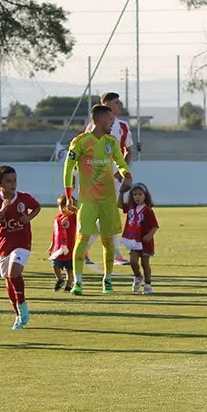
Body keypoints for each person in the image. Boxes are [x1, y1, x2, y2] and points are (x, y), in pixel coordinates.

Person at [63, 104, 133, 295]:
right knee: (82, 239)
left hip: (108, 199)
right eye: (111, 120)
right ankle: (78, 282)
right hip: (88, 200)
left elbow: (120, 162)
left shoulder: (112, 141)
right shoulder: (80, 142)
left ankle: (107, 280)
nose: (113, 123)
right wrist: (69, 197)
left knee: (108, 241)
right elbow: (68, 169)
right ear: (101, 120)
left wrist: (126, 173)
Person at [0, 165, 42, 329]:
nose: (13, 184)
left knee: (14, 273)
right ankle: (18, 315)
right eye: (9, 181)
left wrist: (29, 217)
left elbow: (37, 207)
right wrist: (2, 211)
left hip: (22, 242)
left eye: (15, 180)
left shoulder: (24, 198)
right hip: (4, 246)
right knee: (9, 280)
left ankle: (23, 304)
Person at [85, 92, 135, 265]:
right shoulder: (94, 126)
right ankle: (110, 253)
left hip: (114, 177)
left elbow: (128, 151)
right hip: (97, 177)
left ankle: (89, 249)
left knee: (109, 214)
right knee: (105, 215)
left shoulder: (123, 126)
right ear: (105, 104)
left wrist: (123, 171)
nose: (119, 105)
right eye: (115, 102)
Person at [119, 182, 159, 294]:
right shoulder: (131, 208)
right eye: (135, 194)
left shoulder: (147, 210)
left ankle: (148, 284)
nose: (137, 197)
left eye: (140, 194)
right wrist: (121, 192)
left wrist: (149, 236)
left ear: (145, 196)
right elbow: (119, 204)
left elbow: (155, 226)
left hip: (145, 241)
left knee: (145, 263)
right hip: (134, 240)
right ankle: (138, 276)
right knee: (133, 261)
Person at [49, 198, 77, 293]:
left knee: (69, 268)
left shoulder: (73, 217)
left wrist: (75, 210)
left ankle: (69, 284)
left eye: (64, 206)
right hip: (59, 248)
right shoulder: (57, 219)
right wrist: (52, 245)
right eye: (60, 206)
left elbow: (81, 218)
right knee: (55, 264)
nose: (62, 209)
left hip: (70, 248)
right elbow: (55, 233)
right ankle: (60, 278)